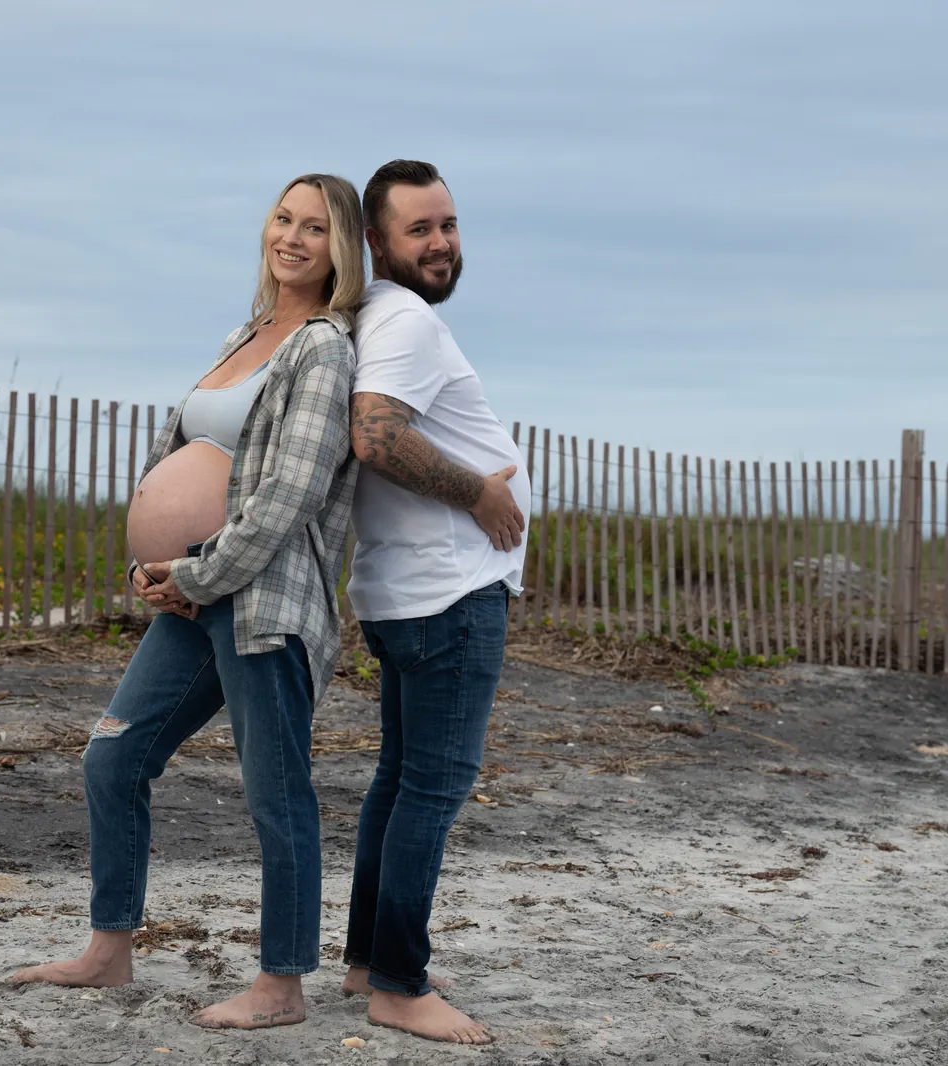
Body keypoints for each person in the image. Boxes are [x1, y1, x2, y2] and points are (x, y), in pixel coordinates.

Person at [12, 173, 365, 1032]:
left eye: (315, 228)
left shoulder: (321, 348)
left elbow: (290, 494)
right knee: (113, 759)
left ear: (341, 249)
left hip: (259, 602)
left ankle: (282, 986)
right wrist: (150, 567)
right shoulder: (247, 334)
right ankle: (109, 950)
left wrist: (199, 573)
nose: (292, 238)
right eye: (282, 219)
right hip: (189, 597)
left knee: (275, 791)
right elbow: (183, 451)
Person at [339, 159, 529, 1045]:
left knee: (399, 781)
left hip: (408, 591)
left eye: (448, 224)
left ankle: (368, 961)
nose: (443, 243)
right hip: (449, 593)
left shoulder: (373, 316)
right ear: (377, 243)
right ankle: (401, 987)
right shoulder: (404, 317)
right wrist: (480, 496)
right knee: (434, 787)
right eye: (420, 229)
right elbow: (377, 433)